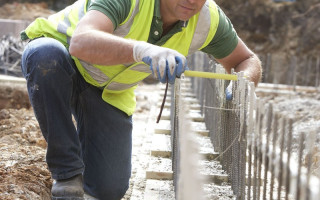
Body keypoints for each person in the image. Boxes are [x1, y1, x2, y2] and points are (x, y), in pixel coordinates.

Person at [20, 0, 262, 199]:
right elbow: (81, 42)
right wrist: (143, 50)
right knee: (45, 57)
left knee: (109, 189)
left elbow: (247, 60)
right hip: (62, 60)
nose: (192, 1)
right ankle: (67, 172)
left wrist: (243, 85)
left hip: (108, 91)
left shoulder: (208, 19)